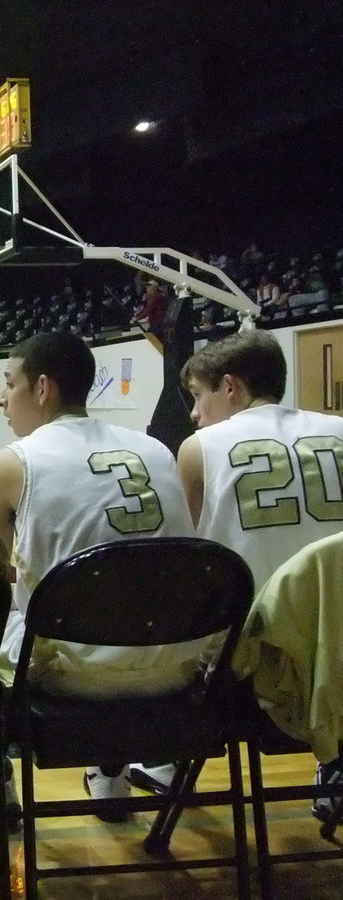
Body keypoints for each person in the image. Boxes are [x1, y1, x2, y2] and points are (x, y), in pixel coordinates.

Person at [0, 331, 196, 816]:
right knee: (119, 598)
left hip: (73, 674)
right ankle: (110, 773)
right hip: (177, 666)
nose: (0, 397)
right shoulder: (157, 451)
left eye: (8, 383)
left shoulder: (10, 464)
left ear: (42, 389)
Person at [175, 329, 343, 810]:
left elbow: (180, 560)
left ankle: (151, 763)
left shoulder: (200, 447)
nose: (193, 413)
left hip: (253, 665)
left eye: (197, 396)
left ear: (230, 387)